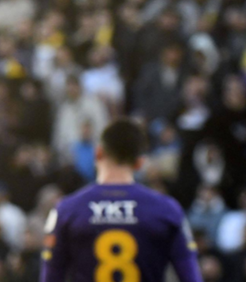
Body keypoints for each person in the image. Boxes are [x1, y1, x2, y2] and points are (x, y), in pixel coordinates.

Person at [40, 119, 202, 282]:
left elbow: (50, 276)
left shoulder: (67, 209)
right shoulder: (167, 209)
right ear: (140, 162)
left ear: (98, 153)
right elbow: (191, 277)